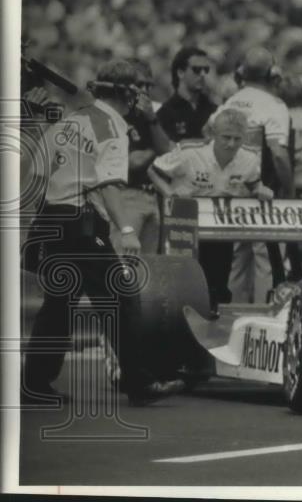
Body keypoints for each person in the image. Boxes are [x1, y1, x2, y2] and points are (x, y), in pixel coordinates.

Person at [22, 60, 184, 406]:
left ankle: (34, 383)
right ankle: (139, 382)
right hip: (79, 222)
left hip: (53, 217)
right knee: (122, 297)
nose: (144, 93)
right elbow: (110, 187)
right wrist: (126, 230)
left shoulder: (73, 119)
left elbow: (37, 172)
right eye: (140, 86)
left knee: (59, 306)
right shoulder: (113, 126)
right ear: (127, 91)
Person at [148, 109, 273, 310]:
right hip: (184, 225)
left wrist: (261, 190)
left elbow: (253, 183)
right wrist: (170, 194)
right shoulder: (189, 151)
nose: (231, 144)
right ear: (214, 134)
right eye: (226, 137)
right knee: (182, 284)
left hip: (219, 229)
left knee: (217, 287)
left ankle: (213, 330)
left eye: (237, 138)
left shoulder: (250, 157)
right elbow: (153, 171)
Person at [213, 47, 293, 301]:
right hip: (263, 194)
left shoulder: (230, 102)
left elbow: (208, 135)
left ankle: (231, 324)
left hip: (230, 193)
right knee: (266, 261)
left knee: (237, 263)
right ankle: (264, 322)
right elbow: (279, 154)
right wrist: (289, 193)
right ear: (273, 73)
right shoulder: (273, 105)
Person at [114, 59, 174, 254]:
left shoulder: (149, 117)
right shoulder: (117, 115)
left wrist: (151, 119)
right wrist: (156, 147)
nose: (145, 90)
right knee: (123, 264)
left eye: (149, 85)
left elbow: (168, 153)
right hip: (125, 195)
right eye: (140, 85)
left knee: (146, 269)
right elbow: (134, 162)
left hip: (150, 197)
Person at [156, 46, 218, 142]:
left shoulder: (214, 110)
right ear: (181, 72)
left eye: (206, 69)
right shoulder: (165, 114)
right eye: (196, 69)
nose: (202, 74)